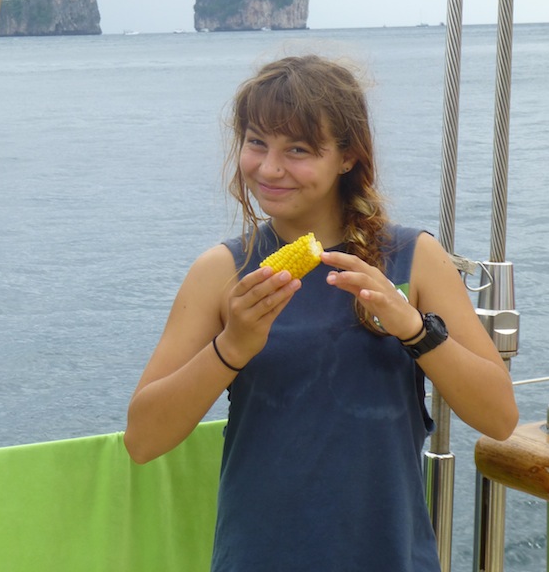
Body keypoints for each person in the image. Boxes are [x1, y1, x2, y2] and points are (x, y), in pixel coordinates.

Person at [124, 55, 517, 571]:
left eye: (298, 150)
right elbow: (143, 440)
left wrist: (413, 329)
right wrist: (231, 348)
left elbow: (499, 417)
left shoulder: (414, 258)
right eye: (256, 143)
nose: (269, 168)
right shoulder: (223, 271)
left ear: (347, 157)